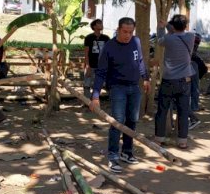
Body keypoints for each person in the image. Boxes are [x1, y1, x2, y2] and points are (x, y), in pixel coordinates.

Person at [90, 17, 150, 173]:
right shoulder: (109, 47)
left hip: (134, 87)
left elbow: (140, 61)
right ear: (118, 29)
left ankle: (127, 152)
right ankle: (113, 156)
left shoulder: (136, 42)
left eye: (130, 32)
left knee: (132, 120)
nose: (127, 35)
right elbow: (101, 72)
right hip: (117, 88)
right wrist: (95, 95)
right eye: (125, 32)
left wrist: (145, 78)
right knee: (117, 122)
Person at [153, 15, 196, 149]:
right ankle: (182, 141)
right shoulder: (191, 37)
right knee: (183, 111)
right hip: (185, 80)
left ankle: (159, 138)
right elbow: (176, 31)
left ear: (173, 26)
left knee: (162, 109)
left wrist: (161, 27)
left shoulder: (167, 39)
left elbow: (159, 40)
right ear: (185, 26)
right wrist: (168, 25)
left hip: (168, 80)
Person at [83, 19, 110, 99]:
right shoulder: (88, 38)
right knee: (87, 84)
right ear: (94, 26)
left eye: (102, 23)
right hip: (91, 64)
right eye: (99, 23)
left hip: (103, 65)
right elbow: (86, 53)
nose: (101, 24)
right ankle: (87, 101)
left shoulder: (106, 38)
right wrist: (87, 66)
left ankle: (100, 100)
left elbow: (109, 52)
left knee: (105, 83)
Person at [189, 34, 206, 126]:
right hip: (191, 65)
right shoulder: (192, 45)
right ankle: (194, 106)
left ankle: (194, 106)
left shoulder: (190, 44)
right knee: (194, 88)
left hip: (190, 65)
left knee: (192, 88)